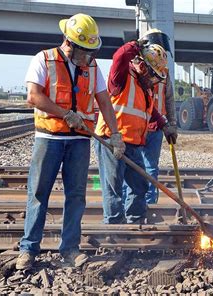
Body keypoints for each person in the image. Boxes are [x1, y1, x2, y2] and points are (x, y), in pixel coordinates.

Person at [16, 13, 124, 270]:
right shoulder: (43, 59)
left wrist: (116, 133)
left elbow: (104, 101)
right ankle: (28, 249)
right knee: (38, 194)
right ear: (70, 43)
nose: (89, 56)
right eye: (85, 50)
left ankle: (70, 249)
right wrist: (65, 114)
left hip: (79, 141)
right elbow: (33, 96)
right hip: (49, 138)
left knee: (76, 196)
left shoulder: (92, 67)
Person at [94, 38, 176, 224]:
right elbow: (119, 57)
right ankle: (114, 227)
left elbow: (152, 110)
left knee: (139, 184)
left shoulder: (144, 86)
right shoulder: (121, 77)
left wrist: (165, 125)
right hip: (112, 140)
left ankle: (135, 220)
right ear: (142, 66)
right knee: (113, 187)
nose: (154, 80)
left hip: (133, 143)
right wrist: (135, 46)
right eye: (153, 74)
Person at [123, 29, 177, 204]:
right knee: (131, 169)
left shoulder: (165, 72)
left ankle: (150, 202)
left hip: (156, 126)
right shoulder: (135, 68)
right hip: (137, 126)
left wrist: (171, 124)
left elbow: (168, 99)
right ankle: (130, 203)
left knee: (150, 168)